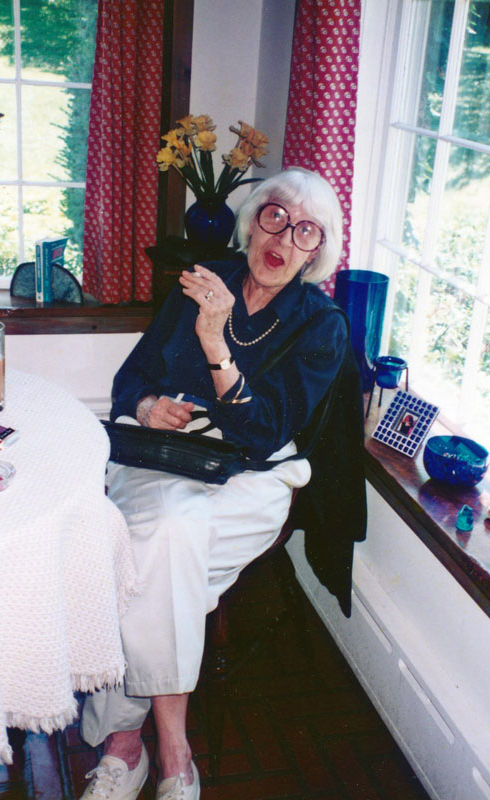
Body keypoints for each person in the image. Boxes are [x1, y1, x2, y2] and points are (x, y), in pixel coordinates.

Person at [79, 167, 349, 800]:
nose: (285, 236)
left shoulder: (322, 325)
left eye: (306, 230)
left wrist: (215, 344)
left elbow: (263, 434)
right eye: (275, 215)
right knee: (168, 536)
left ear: (318, 250)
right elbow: (131, 377)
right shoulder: (202, 281)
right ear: (252, 221)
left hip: (253, 475)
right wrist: (146, 407)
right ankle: (174, 754)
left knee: (149, 556)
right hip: (164, 455)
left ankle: (123, 742)